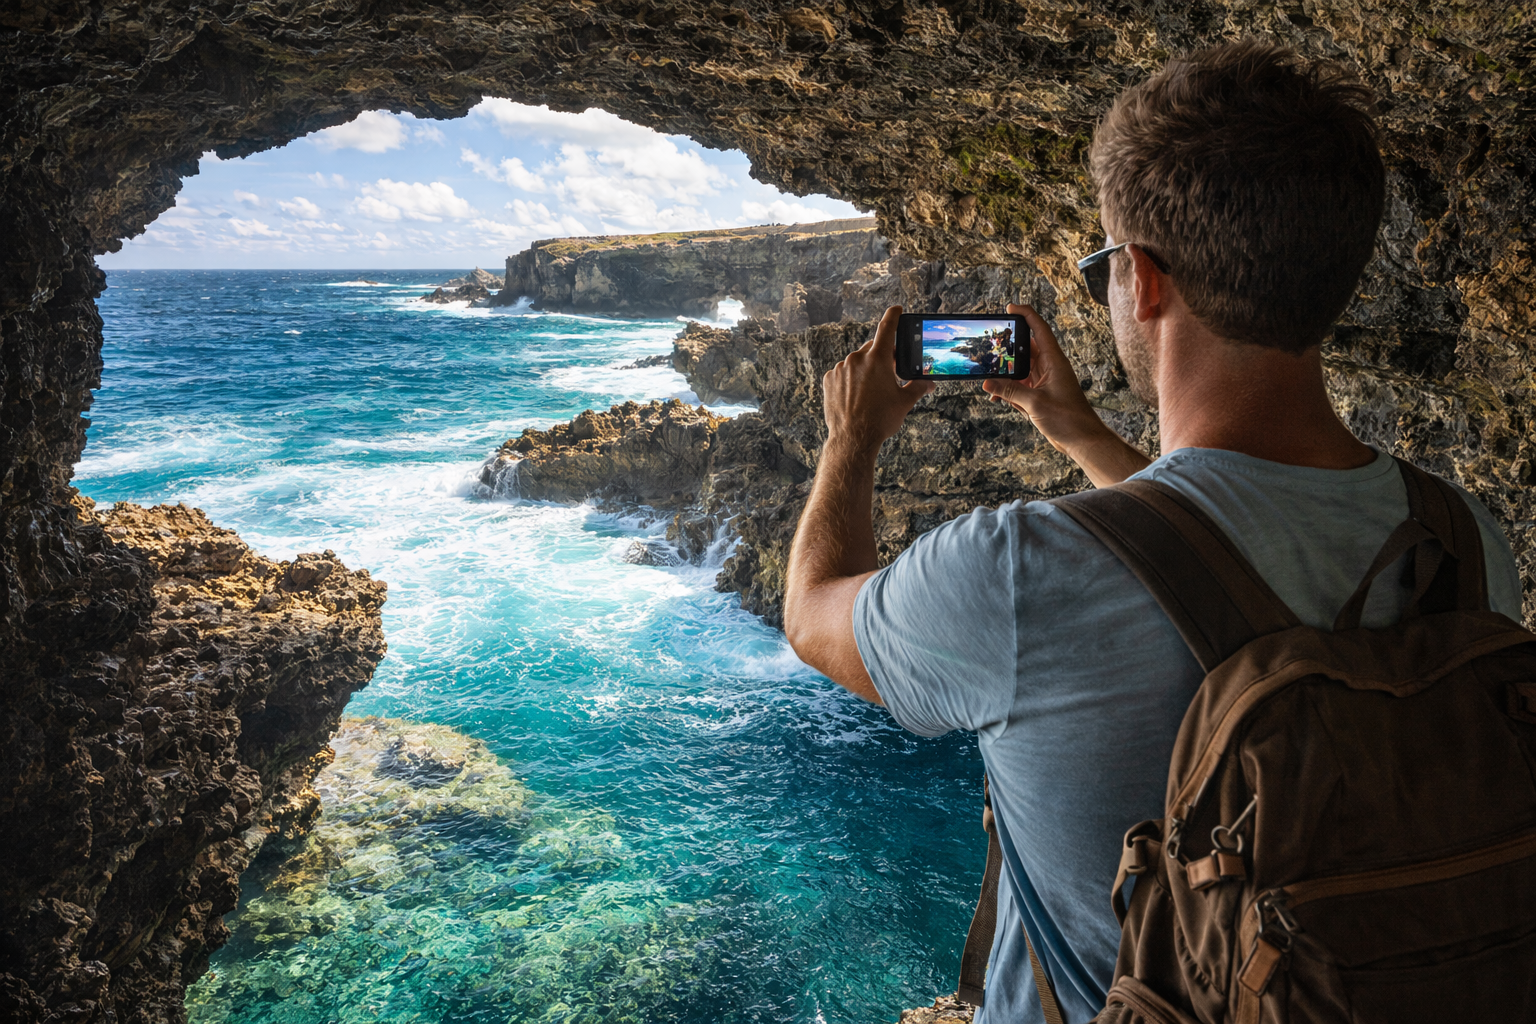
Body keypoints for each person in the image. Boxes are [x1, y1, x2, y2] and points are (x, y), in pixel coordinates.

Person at [781, 40, 1523, 1024]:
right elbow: (1209, 548)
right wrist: (1077, 427)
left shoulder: (1020, 572)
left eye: (1103, 269)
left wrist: (852, 441)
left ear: (1142, 280)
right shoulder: (1467, 542)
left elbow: (813, 613)